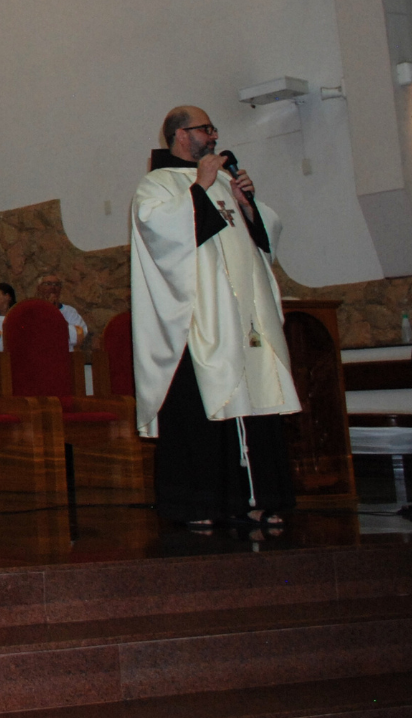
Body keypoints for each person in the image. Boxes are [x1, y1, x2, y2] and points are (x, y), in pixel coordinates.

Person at [131, 106, 299, 530]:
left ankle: (259, 498)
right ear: (181, 135)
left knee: (258, 397)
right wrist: (200, 189)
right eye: (206, 128)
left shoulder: (224, 179)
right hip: (199, 321)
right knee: (200, 408)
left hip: (244, 316)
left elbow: (263, 239)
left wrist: (247, 206)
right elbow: (160, 236)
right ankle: (199, 503)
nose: (213, 135)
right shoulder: (156, 186)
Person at [36, 273, 90, 349]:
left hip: (65, 355)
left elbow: (80, 336)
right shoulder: (32, 310)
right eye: (48, 284)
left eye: (57, 284)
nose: (53, 287)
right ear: (39, 288)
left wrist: (56, 317)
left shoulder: (70, 312)